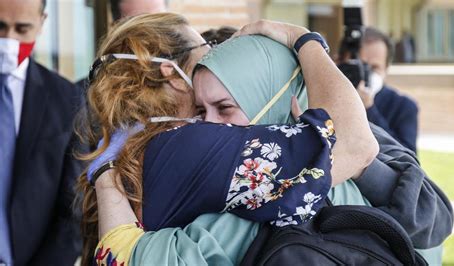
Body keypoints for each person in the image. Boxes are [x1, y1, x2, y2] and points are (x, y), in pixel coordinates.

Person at [76, 13, 379, 265]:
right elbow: (355, 146)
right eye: (207, 47)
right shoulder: (195, 145)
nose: (218, 52)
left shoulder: (134, 146)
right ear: (170, 73)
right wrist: (304, 39)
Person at [0, 0, 83, 265]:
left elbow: (73, 209)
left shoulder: (66, 100)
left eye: (22, 29)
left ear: (41, 23)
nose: (9, 40)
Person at [339, 27, 419, 153]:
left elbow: (407, 158)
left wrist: (369, 109)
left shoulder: (403, 106)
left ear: (386, 69)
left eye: (374, 67)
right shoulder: (325, 100)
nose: (366, 73)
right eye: (360, 65)